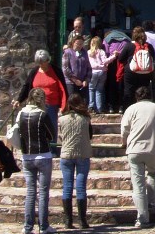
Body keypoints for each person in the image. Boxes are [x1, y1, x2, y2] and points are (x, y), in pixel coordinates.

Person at [120, 86, 155, 228]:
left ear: (136, 97)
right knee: (153, 173)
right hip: (153, 149)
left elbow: (124, 130)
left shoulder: (131, 109)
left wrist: (123, 143)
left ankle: (142, 218)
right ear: (150, 96)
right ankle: (151, 203)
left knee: (138, 185)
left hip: (134, 150)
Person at [15, 88, 56, 234]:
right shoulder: (42, 115)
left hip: (27, 155)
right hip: (43, 154)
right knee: (43, 192)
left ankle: (27, 226)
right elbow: (52, 135)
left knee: (30, 191)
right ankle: (43, 226)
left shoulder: (21, 114)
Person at [13, 49, 68, 143]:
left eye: (43, 62)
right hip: (35, 104)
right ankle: (38, 146)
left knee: (51, 126)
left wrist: (63, 105)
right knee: (36, 126)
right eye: (39, 62)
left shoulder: (56, 71)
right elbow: (27, 86)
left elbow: (63, 89)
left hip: (51, 104)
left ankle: (52, 148)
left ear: (48, 60)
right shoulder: (34, 72)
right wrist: (19, 100)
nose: (41, 64)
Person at [58, 94, 93, 229]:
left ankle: (68, 220)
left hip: (66, 154)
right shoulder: (86, 118)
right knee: (81, 187)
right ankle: (82, 220)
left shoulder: (62, 119)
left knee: (67, 187)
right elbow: (90, 135)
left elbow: (60, 137)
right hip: (83, 153)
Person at [118, 26, 155, 111]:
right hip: (146, 72)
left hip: (131, 72)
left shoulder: (129, 45)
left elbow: (120, 59)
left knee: (129, 90)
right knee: (143, 91)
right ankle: (144, 110)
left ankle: (128, 110)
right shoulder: (149, 46)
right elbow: (153, 58)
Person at [87, 36, 117, 114]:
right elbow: (105, 61)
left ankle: (91, 106)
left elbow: (91, 64)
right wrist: (114, 56)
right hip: (102, 72)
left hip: (93, 73)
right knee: (99, 90)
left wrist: (98, 66)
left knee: (91, 89)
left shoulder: (89, 52)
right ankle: (99, 108)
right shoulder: (101, 52)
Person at [62, 35, 93, 103]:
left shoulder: (84, 52)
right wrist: (75, 80)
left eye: (81, 44)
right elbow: (65, 68)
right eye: (77, 44)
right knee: (73, 102)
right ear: (73, 43)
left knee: (83, 102)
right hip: (71, 82)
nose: (79, 46)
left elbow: (89, 67)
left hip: (83, 82)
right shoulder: (68, 52)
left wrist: (86, 80)